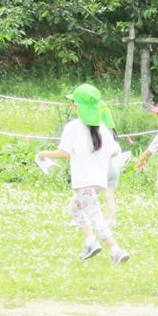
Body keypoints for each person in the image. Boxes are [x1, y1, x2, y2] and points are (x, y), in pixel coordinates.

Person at [36, 84, 130, 264]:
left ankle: (115, 249)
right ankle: (89, 242)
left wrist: (43, 154)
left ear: (77, 106)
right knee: (75, 207)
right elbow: (115, 151)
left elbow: (65, 152)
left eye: (74, 102)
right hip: (99, 181)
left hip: (83, 181)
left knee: (95, 217)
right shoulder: (102, 127)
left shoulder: (73, 127)